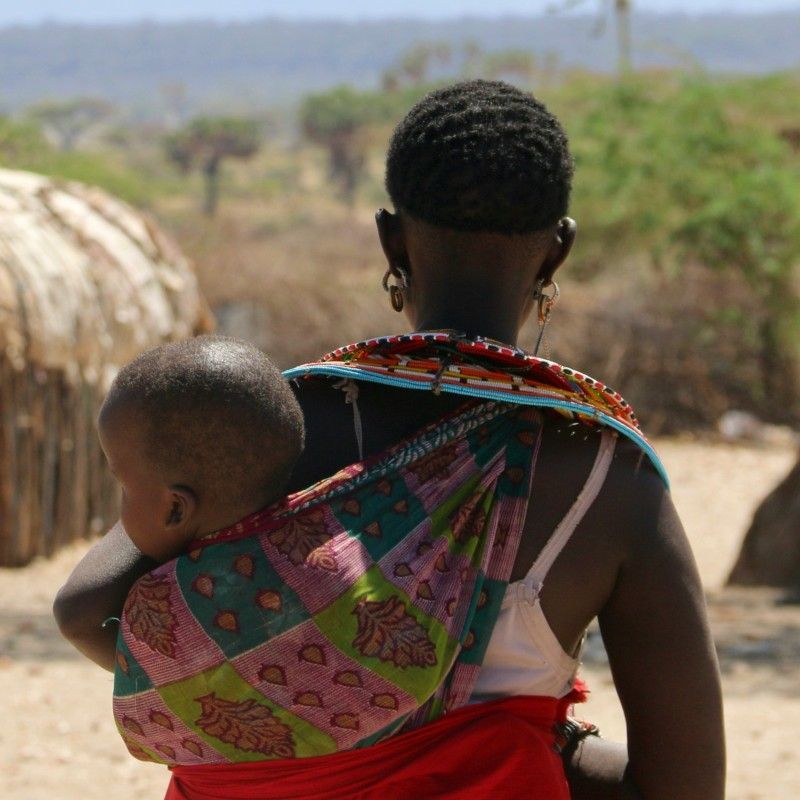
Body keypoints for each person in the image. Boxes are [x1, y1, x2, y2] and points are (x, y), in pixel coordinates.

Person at [54, 80, 724, 800]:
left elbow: (89, 605)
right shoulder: (605, 475)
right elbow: (685, 781)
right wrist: (548, 744)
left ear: (390, 239)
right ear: (556, 254)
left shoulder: (269, 422)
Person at [93, 336, 305, 564]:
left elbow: (74, 600)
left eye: (123, 487)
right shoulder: (316, 536)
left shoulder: (165, 596)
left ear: (175, 510)